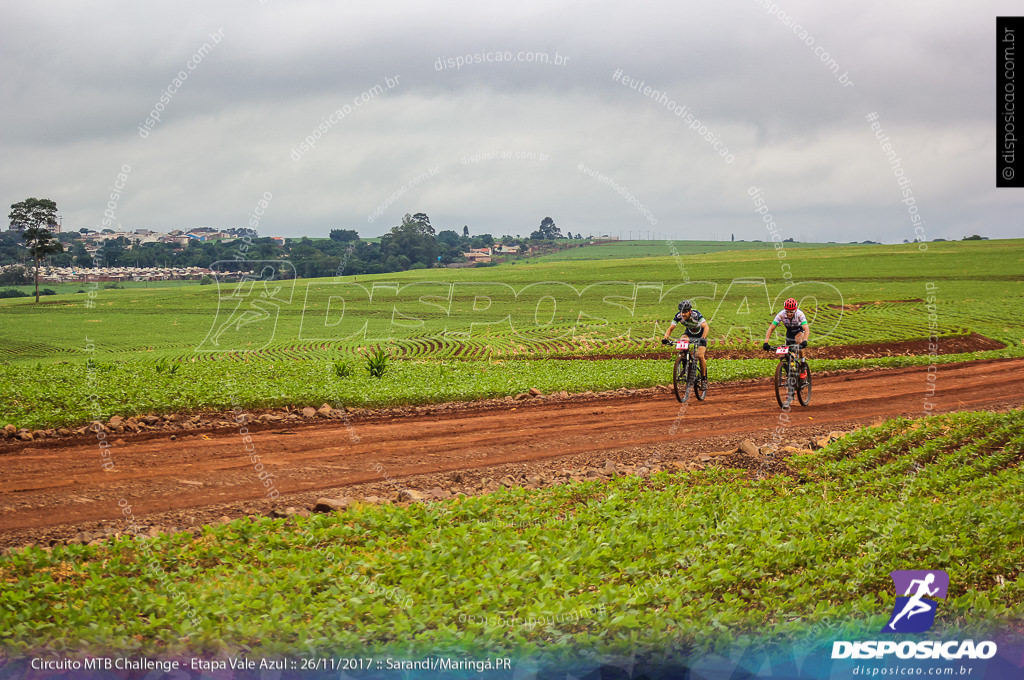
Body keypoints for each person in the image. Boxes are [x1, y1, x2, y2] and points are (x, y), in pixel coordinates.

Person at [661, 299, 709, 389]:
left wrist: (703, 338)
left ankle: (704, 379)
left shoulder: (696, 315)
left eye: (685, 312)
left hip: (701, 335)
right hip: (689, 334)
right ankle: (684, 362)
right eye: (682, 312)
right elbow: (670, 328)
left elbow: (706, 327)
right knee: (682, 341)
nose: (683, 314)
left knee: (700, 355)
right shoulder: (678, 316)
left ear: (690, 311)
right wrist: (665, 338)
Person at [763, 297, 810, 377]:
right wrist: (766, 342)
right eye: (787, 311)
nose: (788, 314)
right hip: (789, 333)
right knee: (788, 355)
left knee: (798, 341)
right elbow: (771, 328)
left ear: (795, 310)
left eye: (791, 312)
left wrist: (805, 340)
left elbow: (806, 328)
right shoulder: (781, 314)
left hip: (799, 330)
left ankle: (803, 364)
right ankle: (791, 374)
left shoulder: (800, 314)